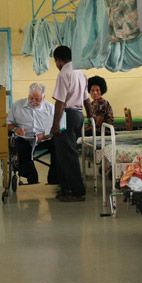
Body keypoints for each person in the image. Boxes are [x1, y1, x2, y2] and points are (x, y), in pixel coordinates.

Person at [50, 46, 93, 202]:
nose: (56, 64)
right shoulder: (80, 72)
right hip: (78, 115)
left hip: (67, 116)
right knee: (65, 153)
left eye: (56, 61)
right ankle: (67, 188)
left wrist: (55, 124)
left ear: (59, 60)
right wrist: (91, 117)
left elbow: (60, 102)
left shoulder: (64, 74)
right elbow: (87, 98)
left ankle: (77, 191)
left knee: (68, 155)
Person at [7, 83, 55, 185]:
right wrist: (16, 129)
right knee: (20, 144)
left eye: (37, 99)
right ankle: (32, 179)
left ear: (44, 97)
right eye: (31, 98)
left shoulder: (51, 108)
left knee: (58, 145)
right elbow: (8, 124)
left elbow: (57, 128)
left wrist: (45, 135)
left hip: (44, 139)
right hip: (25, 138)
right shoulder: (17, 106)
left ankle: (54, 180)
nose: (33, 101)